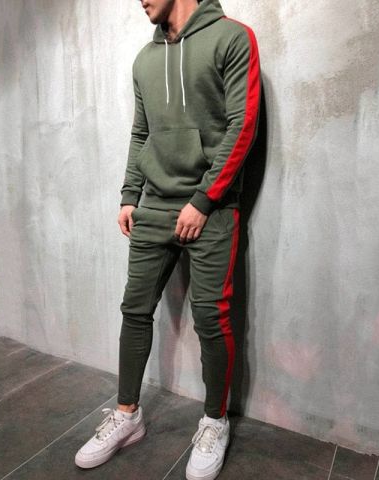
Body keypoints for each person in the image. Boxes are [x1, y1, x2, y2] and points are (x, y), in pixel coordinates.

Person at [75, 0, 261, 478]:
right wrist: (129, 195)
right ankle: (127, 414)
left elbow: (242, 125)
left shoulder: (232, 38)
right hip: (153, 205)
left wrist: (204, 200)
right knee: (134, 310)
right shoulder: (144, 59)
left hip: (211, 209)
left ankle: (215, 422)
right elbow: (142, 133)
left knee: (211, 318)